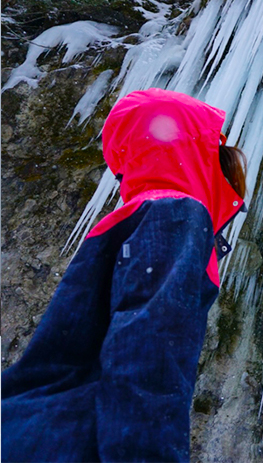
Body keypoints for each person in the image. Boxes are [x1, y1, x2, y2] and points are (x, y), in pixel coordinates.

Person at [1, 88, 247, 462]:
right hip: (76, 440)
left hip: (31, 430)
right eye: (216, 148)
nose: (231, 169)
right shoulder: (176, 214)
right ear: (191, 152)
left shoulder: (126, 221)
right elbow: (149, 350)